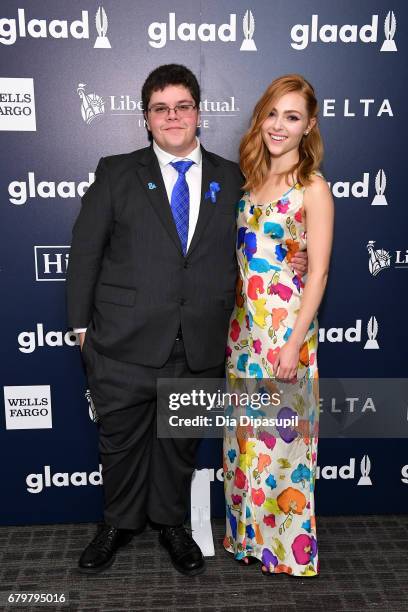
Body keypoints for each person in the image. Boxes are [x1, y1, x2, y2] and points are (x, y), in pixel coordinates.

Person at [67, 64, 307, 576]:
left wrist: (297, 258)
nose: (172, 116)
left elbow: (262, 241)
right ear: (146, 119)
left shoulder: (234, 177)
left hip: (198, 342)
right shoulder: (116, 171)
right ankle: (116, 524)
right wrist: (80, 328)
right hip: (122, 342)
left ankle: (171, 525)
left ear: (199, 113)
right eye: (160, 108)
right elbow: (85, 252)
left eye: (182, 106)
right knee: (121, 443)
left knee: (178, 448)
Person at [223, 74, 334, 577]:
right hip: (244, 332)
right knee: (246, 443)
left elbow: (321, 272)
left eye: (292, 117)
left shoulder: (313, 188)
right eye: (272, 113)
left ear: (309, 125)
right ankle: (247, 540)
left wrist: (293, 345)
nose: (279, 126)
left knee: (283, 449)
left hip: (284, 335)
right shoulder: (253, 180)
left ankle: (286, 553)